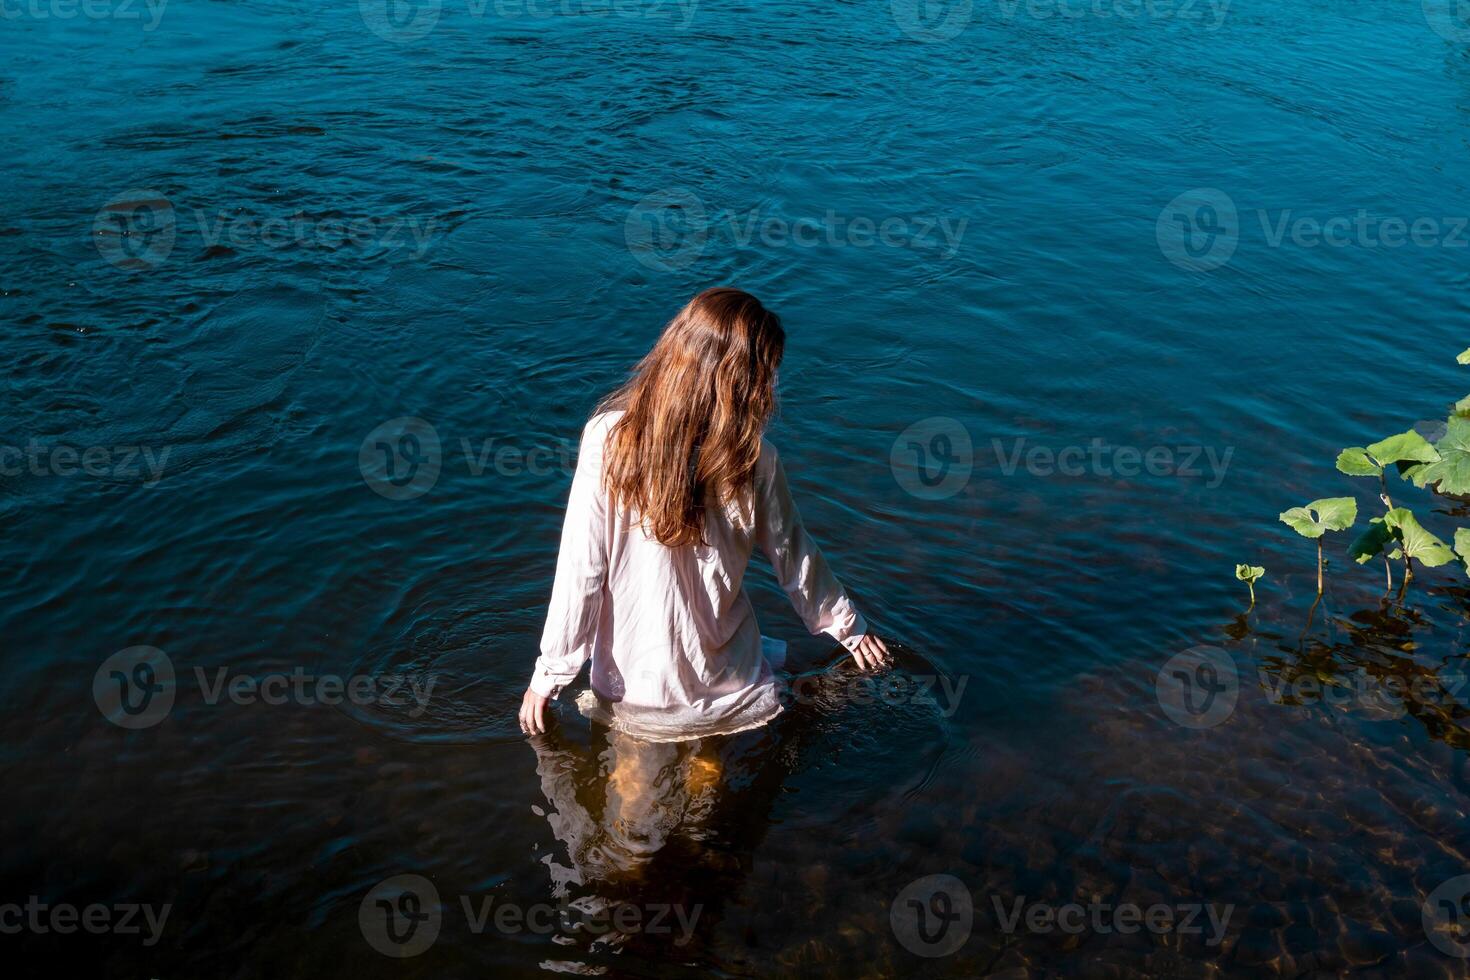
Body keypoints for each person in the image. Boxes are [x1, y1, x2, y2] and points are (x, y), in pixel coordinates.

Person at [518, 287, 890, 740]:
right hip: (723, 679)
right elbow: (795, 555)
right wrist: (850, 628)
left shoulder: (609, 440)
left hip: (637, 682)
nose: (771, 387)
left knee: (633, 794)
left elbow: (583, 569)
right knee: (730, 747)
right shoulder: (755, 459)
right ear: (735, 381)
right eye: (765, 374)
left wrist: (549, 675)